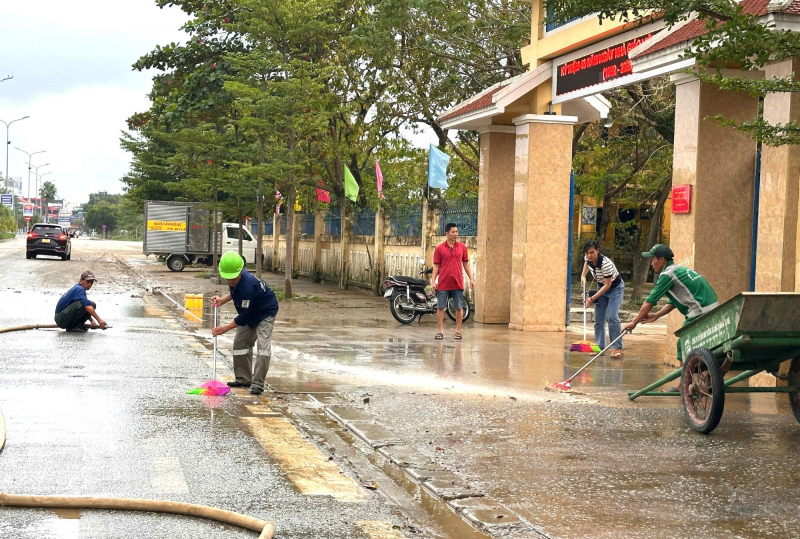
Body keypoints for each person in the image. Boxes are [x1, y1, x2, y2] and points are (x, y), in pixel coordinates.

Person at [623, 244, 719, 361]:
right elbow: (672, 302)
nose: (651, 263)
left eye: (653, 259)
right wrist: (657, 315)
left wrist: (633, 322)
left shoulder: (667, 275)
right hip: (713, 309)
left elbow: (650, 301)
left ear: (662, 260)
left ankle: (684, 379)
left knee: (683, 344)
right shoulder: (679, 270)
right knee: (703, 347)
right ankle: (701, 376)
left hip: (700, 312)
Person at [211, 251, 279, 395]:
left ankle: (258, 384)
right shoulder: (234, 275)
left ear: (240, 271)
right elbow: (236, 291)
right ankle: (243, 379)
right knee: (240, 343)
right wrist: (223, 299)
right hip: (251, 310)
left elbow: (245, 316)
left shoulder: (248, 286)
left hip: (265, 312)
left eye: (233, 279)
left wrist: (224, 328)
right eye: (227, 279)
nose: (230, 282)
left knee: (263, 348)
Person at [581, 240, 625, 358]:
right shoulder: (588, 259)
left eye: (592, 252)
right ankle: (600, 347)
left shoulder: (606, 264)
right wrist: (583, 275)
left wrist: (592, 298)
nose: (589, 255)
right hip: (601, 287)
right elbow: (586, 264)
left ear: (597, 251)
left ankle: (617, 348)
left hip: (614, 288)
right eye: (587, 253)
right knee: (599, 319)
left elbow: (608, 285)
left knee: (612, 316)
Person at [431, 223, 474, 340]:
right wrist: (433, 281)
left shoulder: (462, 247)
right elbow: (436, 266)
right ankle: (440, 331)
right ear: (447, 233)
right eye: (453, 232)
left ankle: (458, 331)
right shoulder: (439, 248)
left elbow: (465, 264)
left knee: (459, 307)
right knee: (440, 307)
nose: (456, 234)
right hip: (443, 282)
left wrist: (471, 279)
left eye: (456, 232)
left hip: (457, 282)